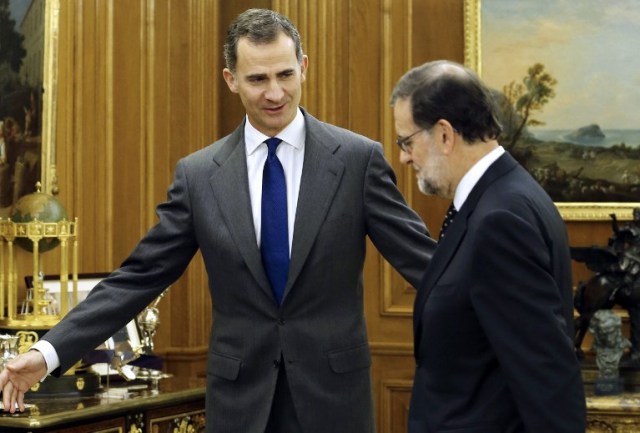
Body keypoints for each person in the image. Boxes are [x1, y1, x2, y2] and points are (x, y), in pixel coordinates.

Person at [0, 8, 436, 433]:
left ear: (304, 68)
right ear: (231, 80)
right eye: (257, 79)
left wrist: (498, 316)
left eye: (285, 75)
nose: (275, 93)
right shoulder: (199, 175)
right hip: (240, 405)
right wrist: (47, 353)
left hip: (334, 402)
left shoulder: (358, 161)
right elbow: (138, 277)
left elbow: (428, 266)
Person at [389, 60, 586, 432]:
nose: (403, 157)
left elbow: (547, 379)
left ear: (445, 135)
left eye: (407, 141)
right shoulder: (500, 197)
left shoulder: (501, 220)